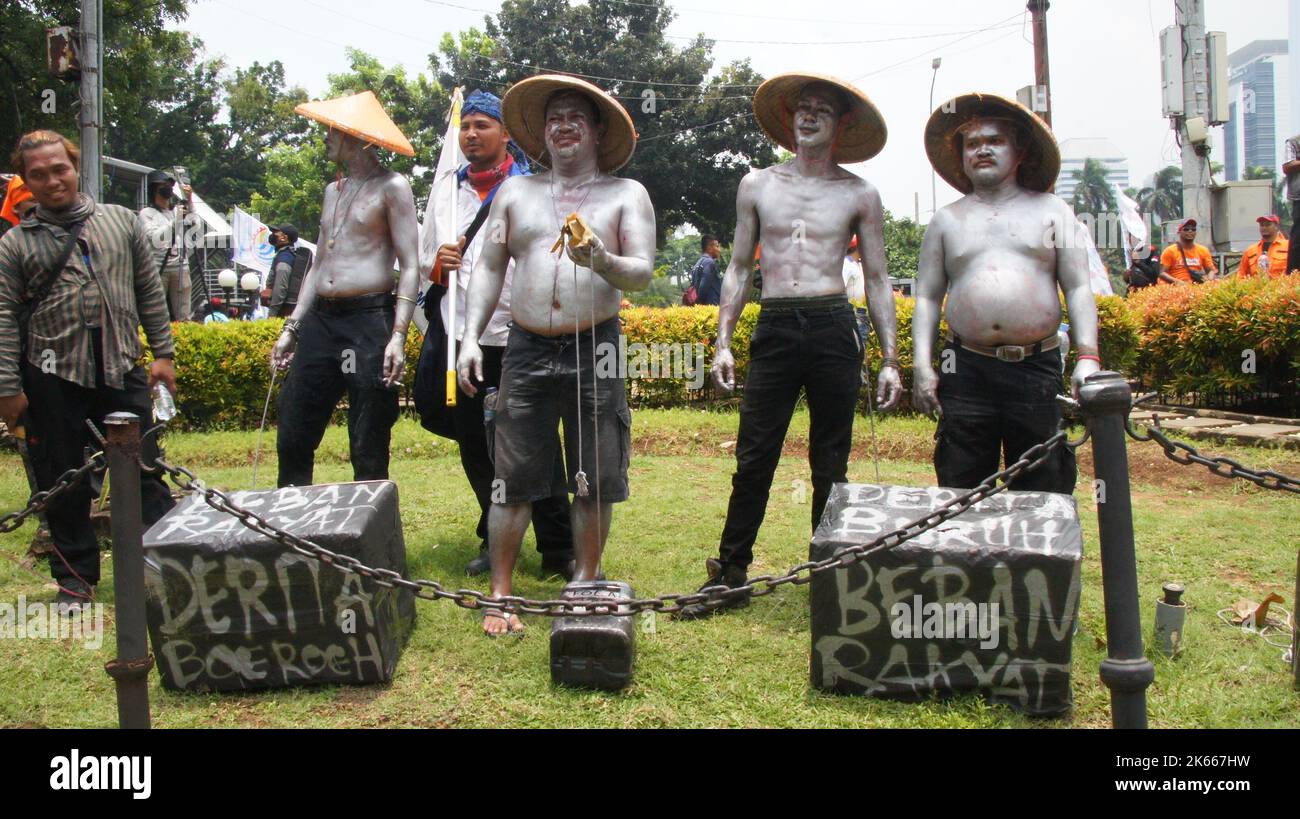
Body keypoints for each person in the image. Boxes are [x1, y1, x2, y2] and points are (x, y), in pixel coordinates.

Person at [677, 73, 903, 619]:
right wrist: (723, 341)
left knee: (832, 458)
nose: (809, 115)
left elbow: (876, 278)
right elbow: (737, 268)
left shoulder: (858, 193)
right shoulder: (757, 185)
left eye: (822, 109)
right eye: (802, 107)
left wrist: (892, 359)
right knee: (755, 454)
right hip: (775, 323)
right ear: (789, 118)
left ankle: (830, 577)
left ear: (841, 123)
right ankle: (731, 571)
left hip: (831, 322)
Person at [457, 75, 655, 635]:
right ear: (542, 133)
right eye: (553, 118)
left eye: (575, 117)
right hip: (523, 347)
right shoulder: (516, 193)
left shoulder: (625, 194)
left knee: (593, 473)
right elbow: (490, 265)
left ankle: (585, 581)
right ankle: (500, 594)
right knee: (511, 476)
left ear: (596, 131)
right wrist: (471, 337)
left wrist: (602, 261)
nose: (563, 125)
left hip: (596, 344)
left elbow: (640, 271)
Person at [0, 130, 177, 611]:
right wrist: (9, 388)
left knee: (144, 473)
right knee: (62, 479)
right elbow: (3, 318)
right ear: (27, 181)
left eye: (59, 169)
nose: (52, 180)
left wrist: (162, 354)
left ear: (75, 165)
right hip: (52, 374)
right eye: (38, 174)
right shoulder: (16, 244)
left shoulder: (121, 222)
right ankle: (74, 580)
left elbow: (149, 292)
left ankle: (166, 566)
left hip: (122, 366)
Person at [418, 88, 575, 579]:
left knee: (538, 444)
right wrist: (437, 267)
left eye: (482, 125)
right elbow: (425, 263)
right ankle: (494, 535)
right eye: (465, 126)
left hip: (522, 335)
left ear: (506, 134)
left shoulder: (533, 189)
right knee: (473, 442)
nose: (471, 135)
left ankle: (558, 547)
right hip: (463, 337)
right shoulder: (446, 194)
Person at [912, 93, 1098, 496]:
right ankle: (965, 558)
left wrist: (1088, 357)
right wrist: (922, 366)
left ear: (1019, 151)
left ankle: (1040, 560)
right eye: (972, 143)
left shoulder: (1053, 211)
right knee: (960, 483)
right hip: (964, 367)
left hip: (1035, 366)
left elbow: (1079, 287)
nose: (982, 149)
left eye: (994, 140)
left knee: (1043, 482)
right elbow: (927, 297)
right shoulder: (946, 220)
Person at [270, 91, 422, 488]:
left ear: (355, 136)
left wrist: (398, 336)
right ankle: (292, 523)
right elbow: (319, 264)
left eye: (332, 132)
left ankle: (371, 539)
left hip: (368, 320)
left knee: (368, 437)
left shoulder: (392, 187)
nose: (325, 139)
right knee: (293, 429)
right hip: (322, 320)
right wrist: (293, 327)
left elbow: (410, 265)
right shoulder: (332, 191)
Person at [138, 168, 198, 321]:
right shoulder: (147, 213)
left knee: (184, 314)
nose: (168, 189)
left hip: (180, 266)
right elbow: (156, 238)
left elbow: (194, 223)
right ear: (154, 190)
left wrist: (189, 200)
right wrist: (176, 220)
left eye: (169, 186)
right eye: (163, 186)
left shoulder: (174, 212)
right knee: (155, 312)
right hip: (159, 268)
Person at [262, 223, 310, 317]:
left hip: (282, 312)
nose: (273, 235)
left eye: (276, 233)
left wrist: (272, 314)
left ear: (284, 238)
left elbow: (280, 287)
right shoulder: (288, 255)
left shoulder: (285, 257)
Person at [1159, 219, 1217, 285]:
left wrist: (1209, 281)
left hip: (1196, 286)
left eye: (1193, 229)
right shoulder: (1170, 251)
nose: (1190, 231)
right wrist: (1177, 282)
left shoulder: (1203, 250)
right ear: (1179, 232)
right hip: (1176, 288)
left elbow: (1211, 270)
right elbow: (1162, 273)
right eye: (1186, 229)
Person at [687, 235, 723, 305]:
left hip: (701, 307)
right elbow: (703, 287)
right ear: (709, 248)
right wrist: (700, 302)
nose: (719, 250)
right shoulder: (709, 263)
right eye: (717, 246)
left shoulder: (697, 264)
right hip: (711, 306)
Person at [1284, 133, 1299, 277]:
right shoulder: (1294, 141)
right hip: (1299, 197)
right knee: (1297, 238)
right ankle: (1293, 273)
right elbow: (1287, 165)